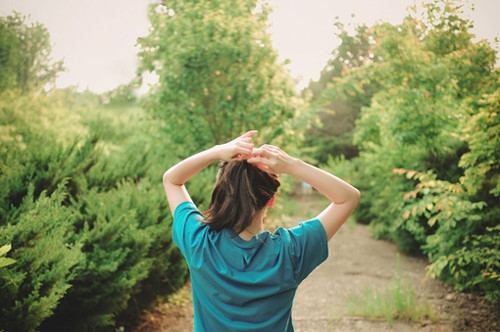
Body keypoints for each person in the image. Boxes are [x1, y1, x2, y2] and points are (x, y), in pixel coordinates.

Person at [163, 130, 360, 331]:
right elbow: (348, 197)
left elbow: (172, 179)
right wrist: (293, 165)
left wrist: (217, 151)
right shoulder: (290, 253)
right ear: (271, 199)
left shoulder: (199, 243)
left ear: (222, 192)